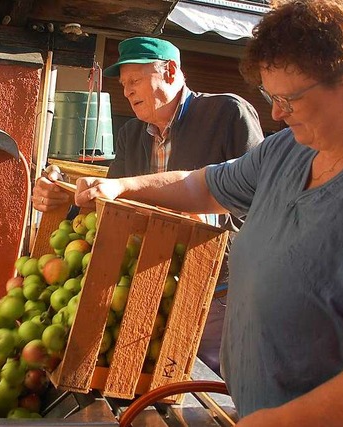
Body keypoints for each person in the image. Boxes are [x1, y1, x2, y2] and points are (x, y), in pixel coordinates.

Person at [70, 0, 343, 425]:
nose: (275, 113)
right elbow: (202, 185)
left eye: (289, 98)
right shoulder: (290, 150)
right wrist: (120, 185)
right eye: (271, 95)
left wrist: (285, 420)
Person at [33, 37, 264, 375]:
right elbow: (111, 209)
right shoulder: (130, 134)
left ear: (170, 72)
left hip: (220, 290)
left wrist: (207, 216)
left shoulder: (227, 113)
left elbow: (261, 199)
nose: (126, 92)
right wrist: (67, 202)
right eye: (124, 84)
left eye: (135, 81)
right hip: (149, 288)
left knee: (219, 383)